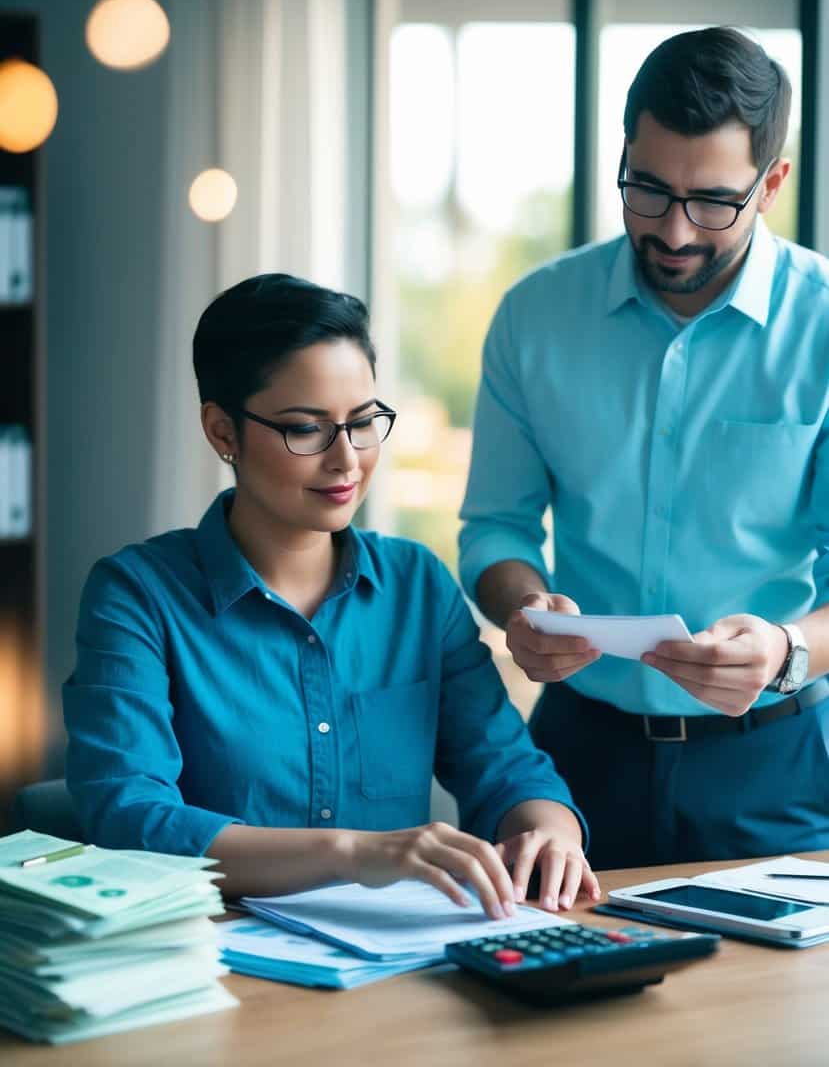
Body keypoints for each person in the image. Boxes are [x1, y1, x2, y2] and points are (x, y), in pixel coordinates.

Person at [64, 273, 599, 915]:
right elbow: (130, 819)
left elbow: (505, 767)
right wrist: (352, 853)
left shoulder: (417, 587)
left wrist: (550, 834)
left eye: (363, 422)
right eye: (305, 429)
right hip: (211, 969)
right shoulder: (136, 597)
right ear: (222, 432)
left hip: (395, 965)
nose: (346, 459)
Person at [459, 26, 829, 870]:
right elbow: (494, 528)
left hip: (778, 761)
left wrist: (783, 650)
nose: (673, 231)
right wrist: (522, 605)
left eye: (712, 203)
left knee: (779, 1007)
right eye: (648, 190)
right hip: (574, 758)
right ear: (622, 156)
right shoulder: (534, 317)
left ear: (770, 183)